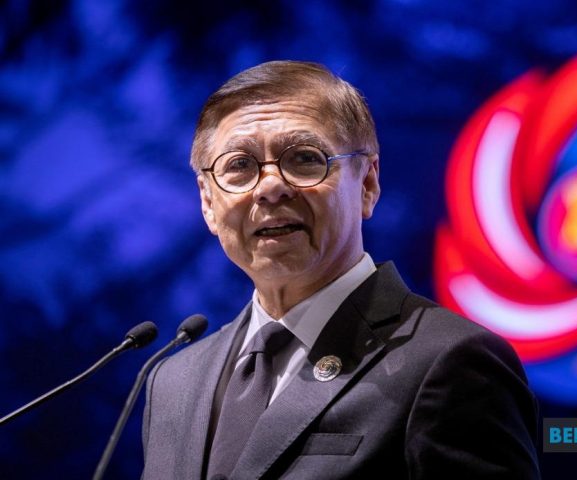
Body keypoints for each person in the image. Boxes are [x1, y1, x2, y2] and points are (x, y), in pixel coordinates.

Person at [141, 60, 540, 479]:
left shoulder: (451, 360)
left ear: (367, 184)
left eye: (304, 158)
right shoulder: (173, 380)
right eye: (239, 165)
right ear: (208, 202)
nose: (270, 187)